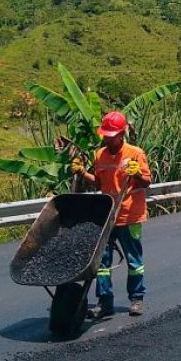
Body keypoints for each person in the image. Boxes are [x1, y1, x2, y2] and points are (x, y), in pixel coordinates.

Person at [71, 111, 152, 318]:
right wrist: (82, 173)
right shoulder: (100, 155)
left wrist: (137, 174)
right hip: (107, 216)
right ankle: (104, 302)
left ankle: (136, 299)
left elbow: (146, 182)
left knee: (134, 261)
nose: (107, 138)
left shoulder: (135, 154)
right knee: (102, 263)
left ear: (122, 133)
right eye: (105, 134)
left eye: (111, 135)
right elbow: (99, 183)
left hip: (129, 215)